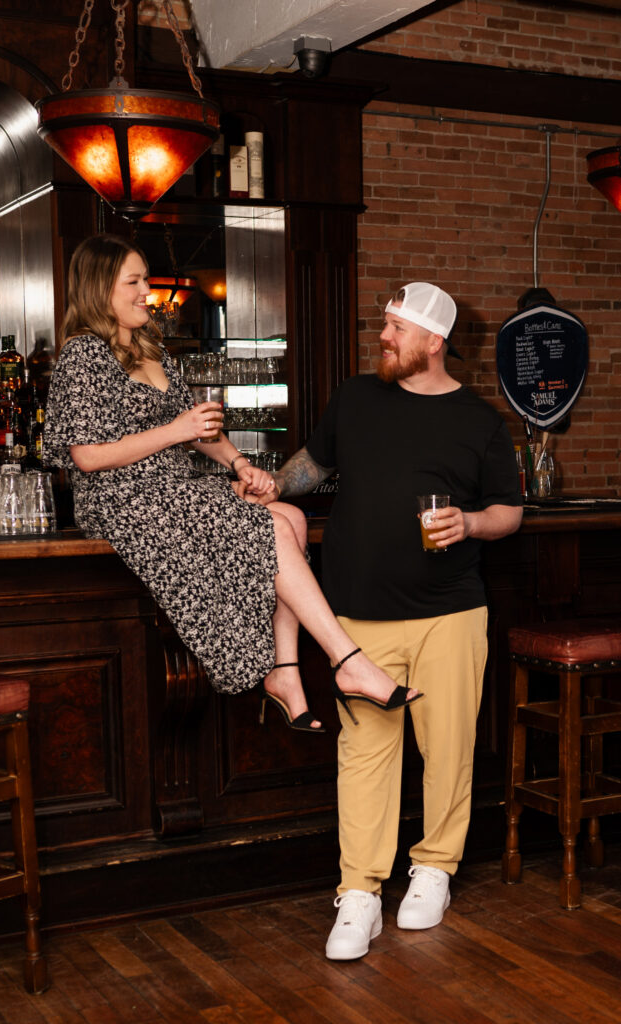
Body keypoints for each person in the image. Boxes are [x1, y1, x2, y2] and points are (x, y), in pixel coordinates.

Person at [42, 233, 420, 735]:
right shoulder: (83, 355)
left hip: (173, 488)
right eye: (132, 282)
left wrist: (240, 464)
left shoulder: (151, 348)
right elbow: (85, 457)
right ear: (97, 290)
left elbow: (199, 431)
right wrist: (176, 431)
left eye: (145, 281)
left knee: (291, 517)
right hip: (121, 498)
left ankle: (284, 671)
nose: (145, 292)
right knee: (274, 528)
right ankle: (346, 659)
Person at [244, 282, 523, 956]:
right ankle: (359, 892)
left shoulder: (479, 422)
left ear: (434, 340)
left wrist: (471, 521)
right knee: (363, 755)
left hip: (448, 612)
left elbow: (508, 511)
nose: (384, 337)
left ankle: (432, 870)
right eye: (385, 326)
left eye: (396, 328)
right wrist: (274, 484)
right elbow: (314, 464)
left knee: (447, 749)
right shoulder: (355, 397)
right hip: (355, 615)